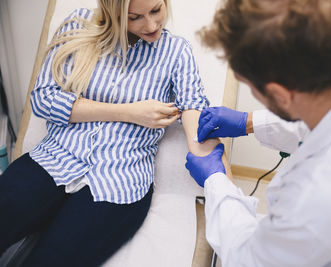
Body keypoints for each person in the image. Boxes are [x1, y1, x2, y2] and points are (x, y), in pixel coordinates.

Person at [0, 0, 230, 266]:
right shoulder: (79, 26)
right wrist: (129, 112)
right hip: (54, 159)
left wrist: (219, 181)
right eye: (135, 17)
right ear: (113, 12)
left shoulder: (176, 52)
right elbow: (43, 99)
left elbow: (194, 110)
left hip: (121, 181)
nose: (152, 25)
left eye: (157, 10)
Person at [185, 0, 331, 266]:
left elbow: (249, 259)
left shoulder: (311, 199)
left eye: (250, 86)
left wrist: (216, 181)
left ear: (279, 95)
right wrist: (248, 121)